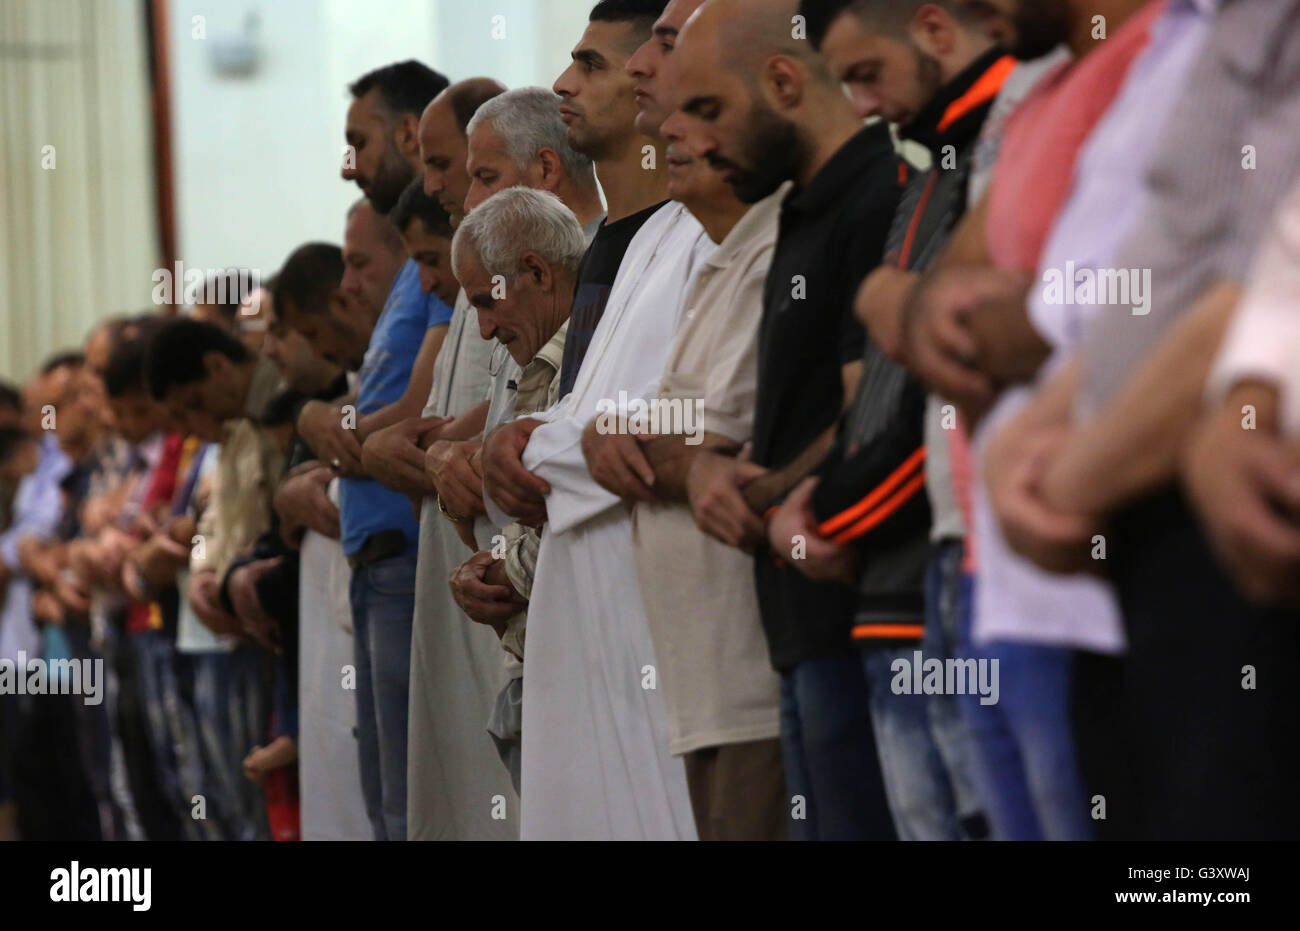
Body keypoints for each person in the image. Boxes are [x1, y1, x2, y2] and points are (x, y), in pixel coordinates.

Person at [670, 0, 902, 840]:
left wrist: (751, 490)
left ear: (781, 80)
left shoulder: (878, 196)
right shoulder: (799, 211)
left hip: (860, 615)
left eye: (707, 110)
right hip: (795, 627)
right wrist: (713, 473)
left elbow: (869, 412)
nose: (693, 141)